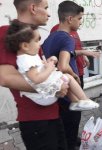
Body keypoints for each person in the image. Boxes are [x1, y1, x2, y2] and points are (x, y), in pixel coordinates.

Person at [0, 0, 69, 149]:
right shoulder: (9, 32)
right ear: (33, 8)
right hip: (36, 121)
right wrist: (54, 88)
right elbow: (6, 77)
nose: (49, 13)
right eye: (45, 8)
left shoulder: (31, 35)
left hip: (52, 114)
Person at [5, 20, 99, 110]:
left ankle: (75, 102)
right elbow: (36, 79)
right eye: (37, 41)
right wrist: (49, 68)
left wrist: (47, 62)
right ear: (25, 46)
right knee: (68, 77)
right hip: (43, 96)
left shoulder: (28, 56)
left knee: (64, 78)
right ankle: (85, 100)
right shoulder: (26, 60)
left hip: (42, 92)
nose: (39, 44)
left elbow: (37, 68)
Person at [41, 1, 87, 149]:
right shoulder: (67, 38)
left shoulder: (49, 39)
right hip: (69, 95)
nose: (81, 22)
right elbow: (63, 65)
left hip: (59, 94)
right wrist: (75, 76)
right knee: (71, 130)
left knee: (63, 131)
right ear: (70, 19)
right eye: (79, 18)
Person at [50, 24, 101, 89]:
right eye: (79, 18)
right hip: (69, 72)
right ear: (70, 18)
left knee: (80, 90)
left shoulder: (74, 29)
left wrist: (84, 56)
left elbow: (78, 45)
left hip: (79, 69)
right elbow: (59, 53)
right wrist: (83, 52)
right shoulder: (57, 29)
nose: (80, 23)